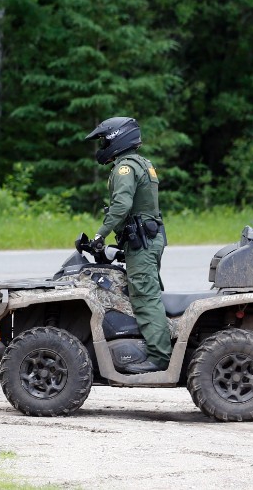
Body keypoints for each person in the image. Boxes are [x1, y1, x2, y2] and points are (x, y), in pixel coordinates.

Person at [86, 116, 171, 374]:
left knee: (145, 296)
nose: (101, 147)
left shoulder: (125, 168)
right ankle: (155, 344)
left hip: (143, 241)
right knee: (147, 291)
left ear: (116, 139)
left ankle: (159, 357)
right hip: (146, 239)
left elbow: (122, 205)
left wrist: (100, 235)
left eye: (103, 141)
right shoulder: (141, 163)